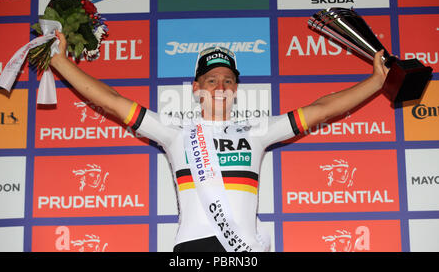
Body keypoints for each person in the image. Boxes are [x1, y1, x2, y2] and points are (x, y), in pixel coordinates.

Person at [50, 31, 390, 252]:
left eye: (228, 79)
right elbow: (110, 99)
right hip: (193, 250)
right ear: (196, 89)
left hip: (245, 251)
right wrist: (61, 61)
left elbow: (319, 109)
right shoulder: (175, 129)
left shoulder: (257, 129)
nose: (220, 86)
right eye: (211, 80)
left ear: (237, 89)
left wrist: (376, 82)